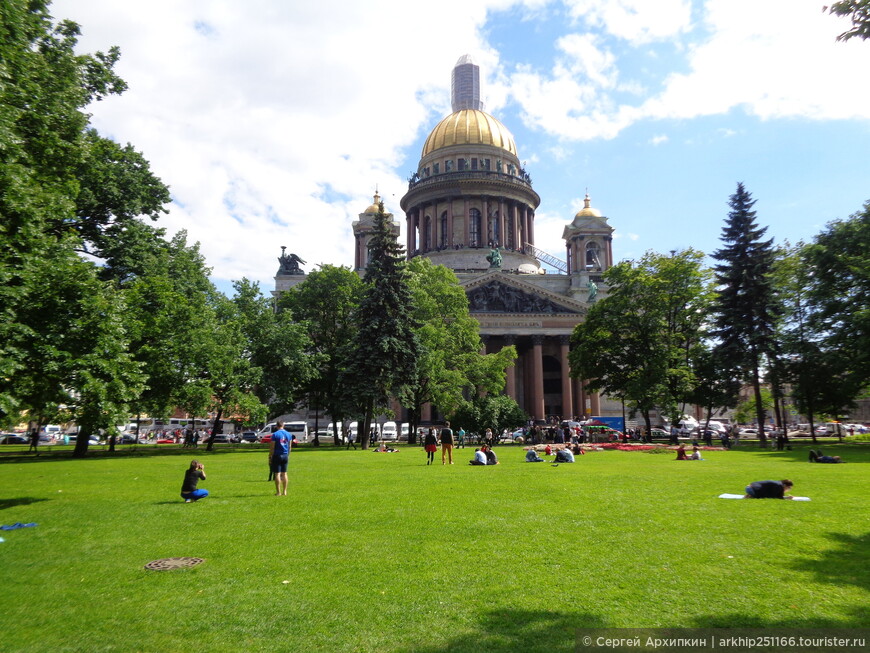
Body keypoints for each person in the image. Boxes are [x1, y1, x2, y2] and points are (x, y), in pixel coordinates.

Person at [270, 421, 292, 496]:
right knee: (284, 473)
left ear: (277, 426)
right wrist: (288, 455)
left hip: (277, 455)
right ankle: (285, 491)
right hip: (285, 455)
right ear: (283, 425)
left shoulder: (275, 434)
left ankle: (278, 492)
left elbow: (272, 447)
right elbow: (289, 447)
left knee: (277, 474)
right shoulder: (289, 434)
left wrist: (270, 456)